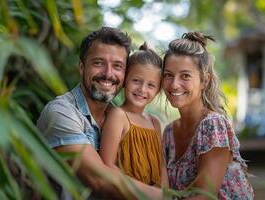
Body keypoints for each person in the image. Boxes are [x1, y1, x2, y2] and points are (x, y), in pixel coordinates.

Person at [37, 27, 162, 199]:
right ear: (82, 67)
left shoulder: (119, 118)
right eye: (98, 63)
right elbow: (101, 181)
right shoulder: (61, 112)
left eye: (117, 66)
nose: (108, 74)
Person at [161, 31, 254, 199]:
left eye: (185, 76)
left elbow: (204, 196)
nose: (174, 84)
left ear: (205, 81)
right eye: (168, 75)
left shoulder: (212, 124)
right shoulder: (169, 132)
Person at [100, 42, 168, 187]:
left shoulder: (154, 122)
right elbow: (107, 164)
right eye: (136, 81)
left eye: (151, 85)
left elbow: (162, 167)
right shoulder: (118, 116)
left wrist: (165, 194)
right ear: (125, 80)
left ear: (158, 90)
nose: (142, 89)